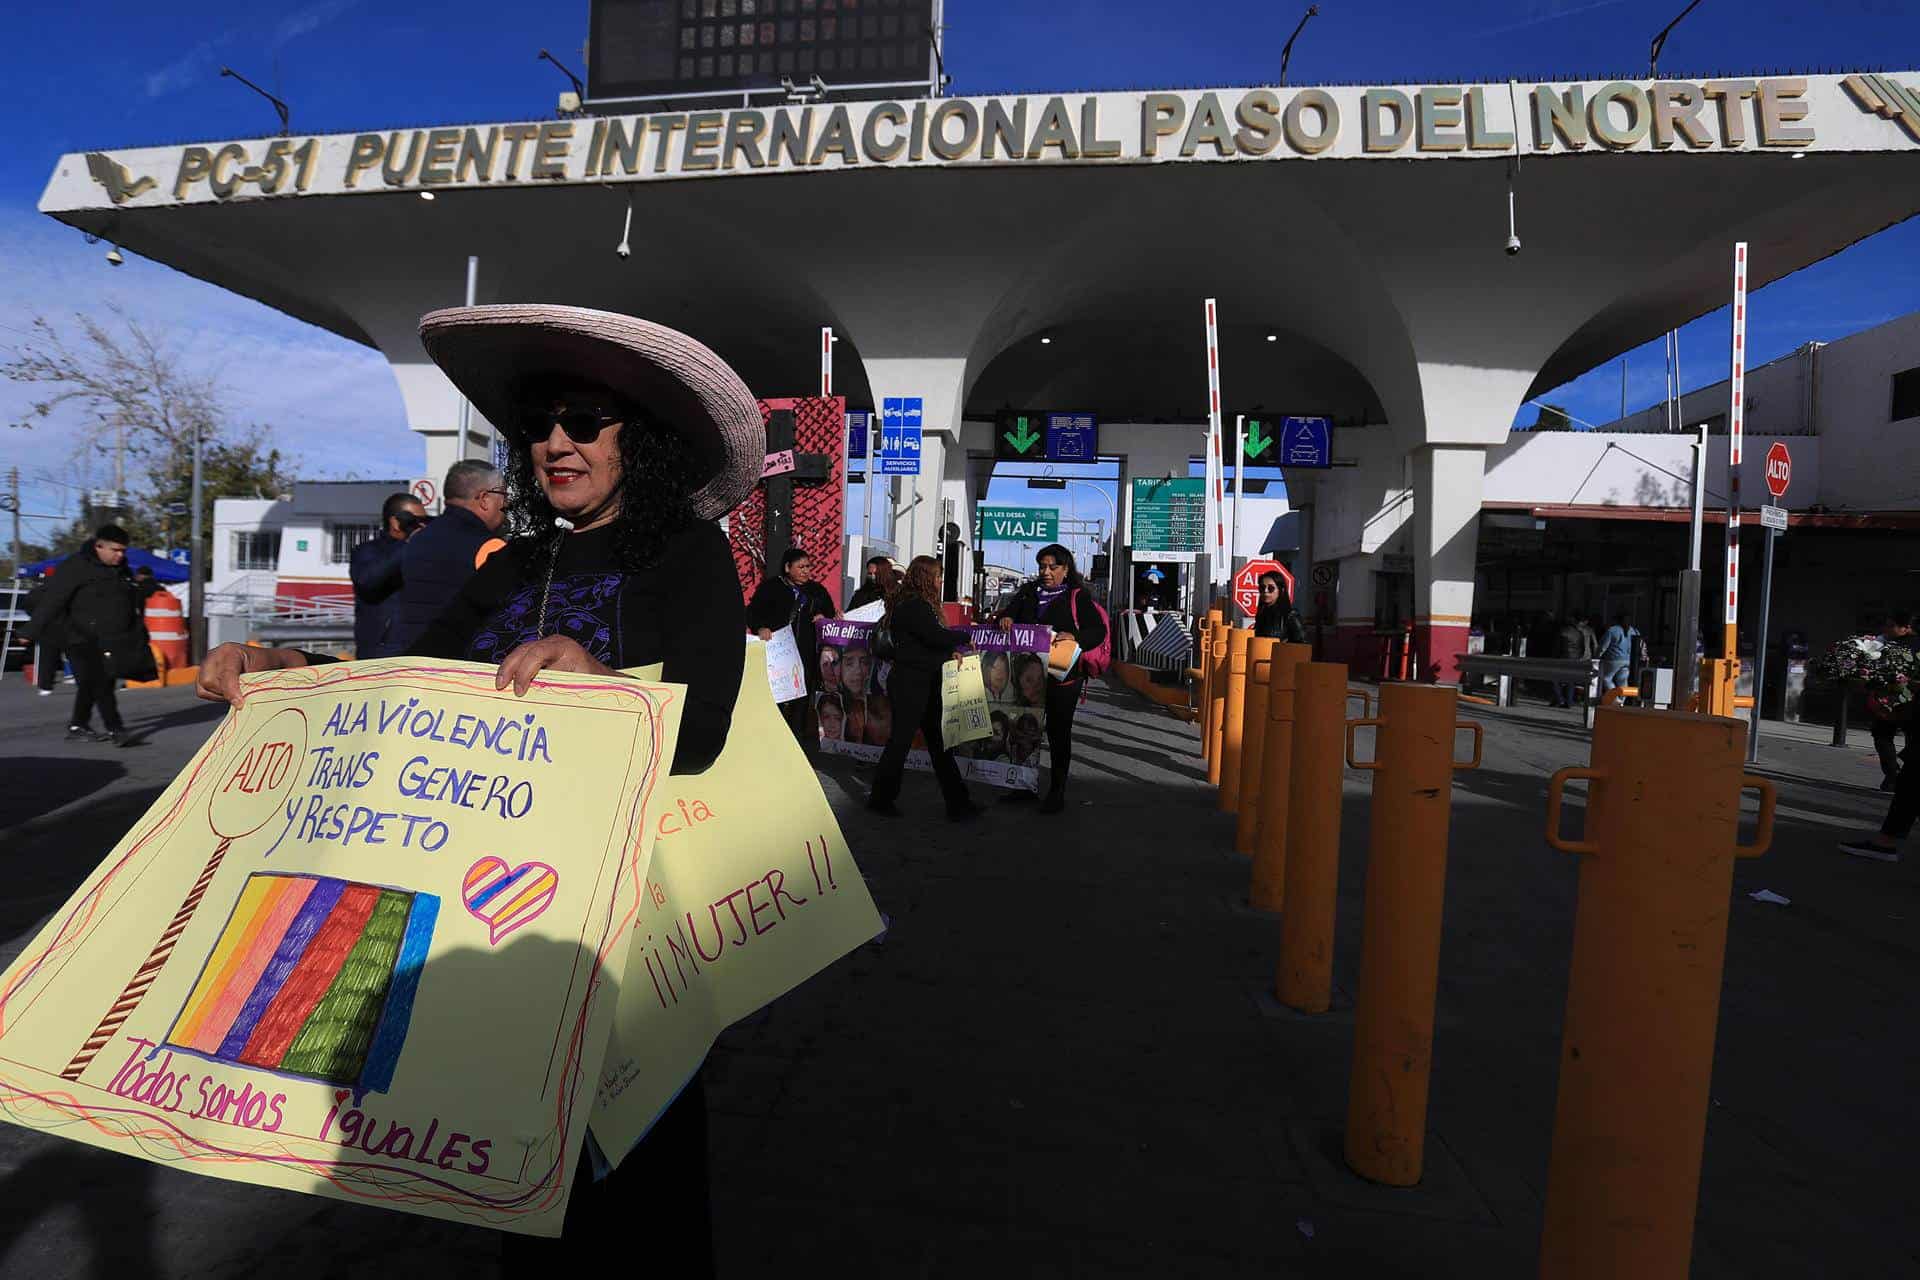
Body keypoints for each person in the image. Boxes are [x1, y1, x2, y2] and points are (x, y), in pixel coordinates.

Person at [195, 303, 764, 1268]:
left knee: (638, 1182)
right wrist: (283, 663)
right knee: (521, 1175)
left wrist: (601, 684)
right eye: (540, 423)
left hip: (621, 917)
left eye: (584, 422)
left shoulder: (687, 555)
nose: (555, 443)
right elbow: (412, 674)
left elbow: (705, 727)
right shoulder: (516, 563)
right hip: (490, 905)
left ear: (641, 441)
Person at [994, 543, 1108, 813]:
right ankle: (1023, 786)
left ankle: (1057, 791)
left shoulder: (1077, 596)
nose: (1046, 572)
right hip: (1027, 676)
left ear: (1066, 569)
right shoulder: (1027, 592)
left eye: (1052, 567)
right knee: (1023, 730)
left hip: (1063, 679)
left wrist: (1076, 636)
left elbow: (1098, 631)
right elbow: (1010, 612)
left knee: (1058, 734)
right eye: (1042, 566)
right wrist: (1007, 618)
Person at [865, 555, 977, 821]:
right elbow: (933, 637)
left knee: (938, 743)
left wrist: (948, 652)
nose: (940, 581)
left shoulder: (912, 603)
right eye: (937, 576)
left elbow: (925, 644)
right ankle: (881, 798)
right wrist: (965, 635)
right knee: (903, 741)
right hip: (911, 683)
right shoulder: (915, 605)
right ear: (926, 578)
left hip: (920, 679)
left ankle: (958, 802)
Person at [383, 459, 508, 657]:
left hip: (407, 661)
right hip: (455, 668)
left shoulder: (417, 539)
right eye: (503, 495)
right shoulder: (490, 548)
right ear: (484, 498)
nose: (506, 504)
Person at [29, 524, 140, 745]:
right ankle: (116, 729)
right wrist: (30, 630)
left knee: (97, 682)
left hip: (107, 636)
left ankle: (78, 725)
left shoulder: (120, 570)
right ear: (99, 546)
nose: (120, 555)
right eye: (115, 550)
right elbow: (53, 601)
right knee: (99, 680)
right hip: (76, 635)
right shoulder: (76, 566)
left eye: (123, 551)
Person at [749, 547, 837, 745]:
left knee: (800, 700)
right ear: (788, 567)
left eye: (808, 566)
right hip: (777, 653)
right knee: (776, 699)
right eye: (801, 567)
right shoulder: (771, 587)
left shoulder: (816, 590)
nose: (806, 571)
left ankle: (796, 743)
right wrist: (761, 627)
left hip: (804, 653)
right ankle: (771, 741)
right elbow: (753, 613)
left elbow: (830, 612)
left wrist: (824, 617)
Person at [350, 491, 428, 658]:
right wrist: (408, 545)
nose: (423, 526)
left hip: (417, 648)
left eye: (425, 521)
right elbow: (367, 580)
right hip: (380, 651)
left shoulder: (423, 551)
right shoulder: (367, 551)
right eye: (416, 521)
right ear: (395, 522)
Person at [1870, 610, 1917, 791]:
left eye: (1891, 626)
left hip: (1898, 698)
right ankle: (1897, 776)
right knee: (1890, 736)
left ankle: (1894, 775)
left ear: (1906, 628)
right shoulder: (1886, 641)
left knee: (1883, 736)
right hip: (1897, 698)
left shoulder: (1899, 645)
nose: (1886, 628)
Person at [23, 570, 65, 697]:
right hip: (66, 627)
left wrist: (38, 618)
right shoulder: (64, 591)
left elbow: (27, 607)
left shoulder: (35, 592)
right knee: (76, 656)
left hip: (46, 628)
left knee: (47, 658)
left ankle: (46, 687)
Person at [1252, 571, 1306, 644]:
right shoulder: (1262, 613)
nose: (1265, 591)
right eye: (1262, 588)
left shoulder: (1290, 615)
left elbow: (1302, 644)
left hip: (1281, 654)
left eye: (1271, 588)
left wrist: (1283, 647)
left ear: (1281, 590)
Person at [1554, 613, 1591, 708]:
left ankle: (1560, 699)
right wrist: (1579, 656)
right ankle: (1569, 702)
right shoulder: (1579, 633)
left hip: (1563, 658)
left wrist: (1556, 656)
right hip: (1575, 658)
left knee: (1555, 679)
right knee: (1571, 681)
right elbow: (1582, 647)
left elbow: (1557, 646)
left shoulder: (1563, 631)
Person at [1597, 612, 1640, 691]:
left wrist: (1597, 656)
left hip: (1613, 660)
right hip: (1628, 660)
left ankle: (1616, 698)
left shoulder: (1612, 630)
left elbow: (1603, 646)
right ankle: (1622, 701)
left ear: (1617, 620)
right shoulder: (1634, 631)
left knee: (1606, 679)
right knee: (1622, 681)